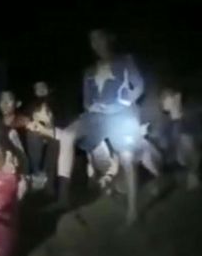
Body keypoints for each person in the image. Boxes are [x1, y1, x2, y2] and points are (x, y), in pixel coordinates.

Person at [53, 28, 146, 225]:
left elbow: (139, 86)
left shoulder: (125, 61)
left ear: (109, 38)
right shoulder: (89, 71)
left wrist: (126, 100)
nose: (96, 44)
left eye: (99, 38)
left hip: (121, 113)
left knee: (127, 157)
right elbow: (87, 102)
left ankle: (133, 210)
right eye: (92, 40)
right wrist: (96, 107)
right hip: (98, 116)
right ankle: (63, 198)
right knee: (68, 135)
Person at [156, 86, 202, 190]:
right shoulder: (164, 122)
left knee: (187, 140)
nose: (171, 103)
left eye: (171, 98)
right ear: (164, 107)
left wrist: (181, 121)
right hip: (174, 156)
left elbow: (200, 135)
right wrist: (175, 122)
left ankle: (193, 172)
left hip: (192, 152)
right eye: (166, 101)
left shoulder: (189, 114)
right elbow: (163, 143)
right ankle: (181, 173)